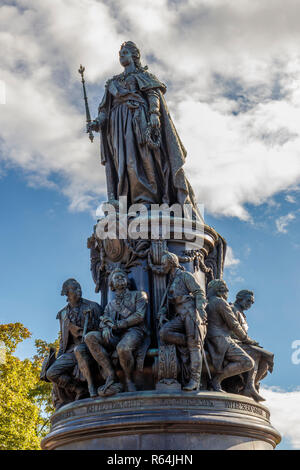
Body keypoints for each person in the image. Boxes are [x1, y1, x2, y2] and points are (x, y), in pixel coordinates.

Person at [88, 41, 200, 217]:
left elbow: (152, 93)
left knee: (140, 160)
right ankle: (129, 202)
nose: (121, 55)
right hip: (117, 127)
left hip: (138, 121)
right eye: (120, 53)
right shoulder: (113, 82)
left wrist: (154, 113)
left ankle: (147, 200)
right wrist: (97, 122)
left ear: (134, 56)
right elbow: (104, 110)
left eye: (124, 52)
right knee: (122, 164)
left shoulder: (143, 75)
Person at [84, 268, 149, 395]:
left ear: (127, 281)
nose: (120, 279)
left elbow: (139, 316)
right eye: (116, 277)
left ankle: (129, 380)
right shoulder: (110, 304)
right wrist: (105, 328)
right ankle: (111, 375)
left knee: (123, 348)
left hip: (134, 331)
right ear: (111, 284)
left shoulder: (139, 295)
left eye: (122, 277)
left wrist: (118, 324)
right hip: (115, 334)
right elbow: (104, 319)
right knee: (89, 337)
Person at [46, 279, 102, 406]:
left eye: (79, 288)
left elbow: (102, 329)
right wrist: (59, 356)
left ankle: (91, 388)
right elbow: (63, 339)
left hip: (90, 346)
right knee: (51, 373)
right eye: (75, 289)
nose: (79, 290)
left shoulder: (93, 307)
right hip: (71, 351)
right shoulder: (63, 314)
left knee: (80, 351)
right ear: (67, 293)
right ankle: (78, 389)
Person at [158, 251, 207, 391]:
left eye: (164, 263)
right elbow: (167, 302)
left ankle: (195, 380)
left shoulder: (185, 275)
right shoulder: (171, 280)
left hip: (191, 313)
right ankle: (191, 342)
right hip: (180, 315)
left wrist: (200, 309)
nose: (162, 266)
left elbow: (199, 292)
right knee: (164, 332)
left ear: (172, 262)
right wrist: (162, 313)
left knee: (195, 347)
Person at [205, 279, 256, 393]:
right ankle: (217, 380)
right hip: (222, 339)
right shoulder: (220, 302)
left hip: (210, 339)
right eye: (226, 291)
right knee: (248, 362)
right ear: (220, 291)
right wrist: (246, 339)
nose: (227, 294)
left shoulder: (206, 302)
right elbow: (234, 324)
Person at [230, 290, 274, 401]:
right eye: (248, 301)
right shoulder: (232, 309)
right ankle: (249, 386)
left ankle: (249, 386)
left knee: (266, 362)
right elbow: (230, 331)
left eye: (252, 302)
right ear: (239, 298)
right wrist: (247, 341)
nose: (250, 304)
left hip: (242, 343)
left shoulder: (242, 314)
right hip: (231, 342)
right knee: (256, 353)